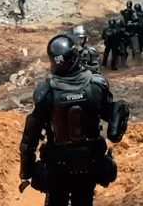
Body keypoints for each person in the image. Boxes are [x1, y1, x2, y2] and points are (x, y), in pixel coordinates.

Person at [19, 35, 129, 205]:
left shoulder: (46, 93)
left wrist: (26, 172)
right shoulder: (96, 87)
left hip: (57, 165)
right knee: (84, 200)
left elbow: (30, 136)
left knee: (56, 199)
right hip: (89, 164)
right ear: (76, 56)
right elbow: (113, 115)